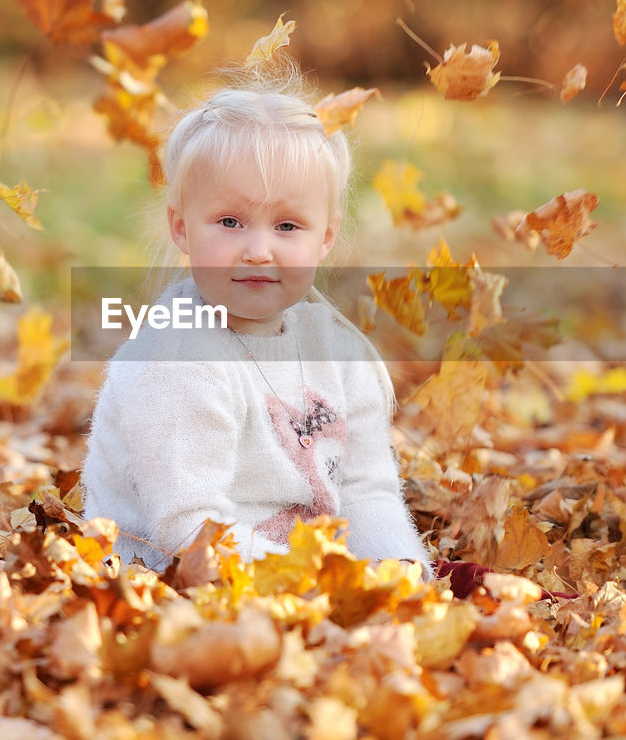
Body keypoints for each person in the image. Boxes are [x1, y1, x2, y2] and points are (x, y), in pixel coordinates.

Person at [81, 71, 433, 575]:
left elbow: (365, 489)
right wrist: (320, 582)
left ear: (326, 237)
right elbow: (191, 530)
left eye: (287, 226)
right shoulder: (176, 358)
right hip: (172, 582)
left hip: (300, 579)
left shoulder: (334, 349)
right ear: (182, 227)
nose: (258, 249)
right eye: (230, 222)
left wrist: (397, 573)